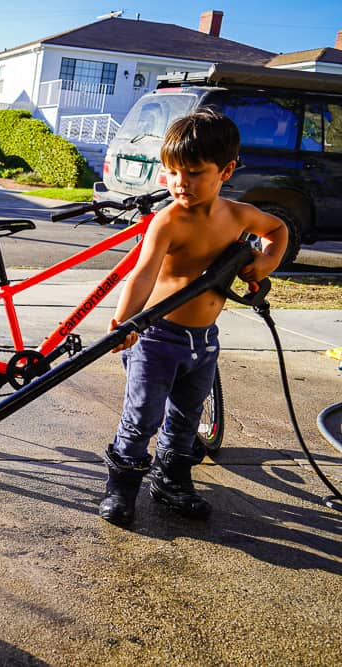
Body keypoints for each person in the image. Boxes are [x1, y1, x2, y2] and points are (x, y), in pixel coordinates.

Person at [100, 108, 288, 527]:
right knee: (143, 415)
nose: (180, 183)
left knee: (187, 414)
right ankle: (122, 487)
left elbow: (277, 229)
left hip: (203, 341)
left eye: (194, 172)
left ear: (226, 170)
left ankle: (170, 480)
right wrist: (124, 323)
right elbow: (142, 274)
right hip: (156, 337)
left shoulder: (238, 215)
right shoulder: (168, 220)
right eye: (172, 172)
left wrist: (265, 264)